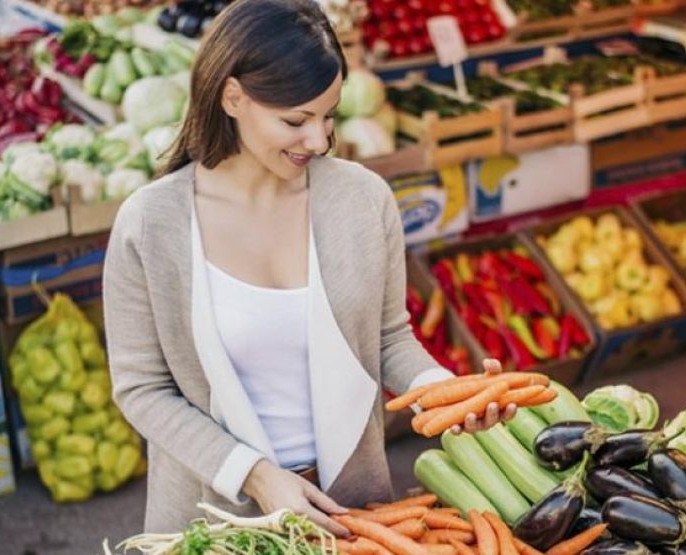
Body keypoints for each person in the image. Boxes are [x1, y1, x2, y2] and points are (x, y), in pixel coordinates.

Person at [102, 0, 515, 536]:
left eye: (329, 116)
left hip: (354, 516)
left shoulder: (363, 199)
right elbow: (142, 389)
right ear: (232, 96)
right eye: (295, 121)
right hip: (214, 518)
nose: (318, 141)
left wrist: (448, 394)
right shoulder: (150, 224)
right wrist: (254, 475)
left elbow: (389, 339)